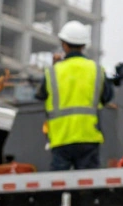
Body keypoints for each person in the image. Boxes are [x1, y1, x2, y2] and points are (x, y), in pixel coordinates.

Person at [35, 21, 114, 171]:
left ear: (64, 44)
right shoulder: (96, 70)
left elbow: (40, 94)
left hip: (61, 139)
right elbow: (107, 96)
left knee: (59, 186)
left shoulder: (53, 72)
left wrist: (56, 65)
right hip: (88, 137)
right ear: (84, 46)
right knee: (87, 186)